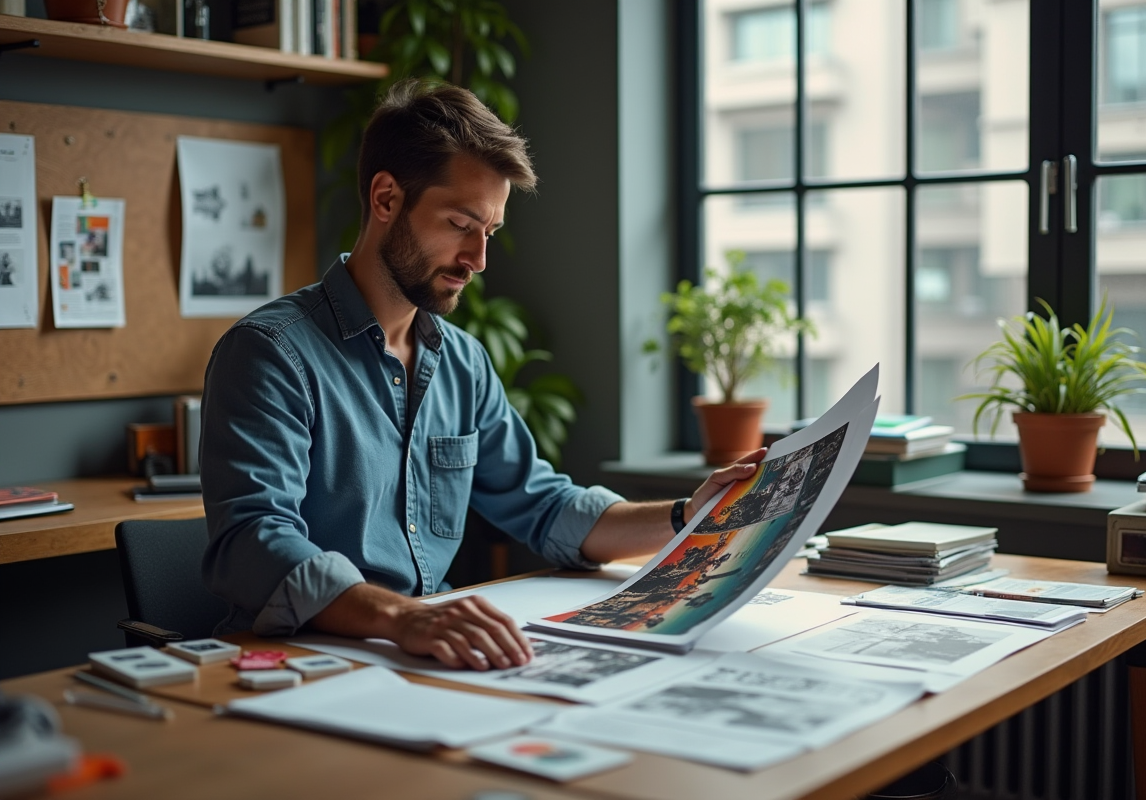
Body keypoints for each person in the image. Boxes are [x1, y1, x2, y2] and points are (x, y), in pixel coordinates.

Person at [200, 79, 764, 673]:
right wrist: (401, 617)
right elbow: (252, 541)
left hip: (422, 660)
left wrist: (688, 515)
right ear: (386, 198)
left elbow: (544, 506)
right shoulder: (269, 353)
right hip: (298, 663)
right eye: (460, 223)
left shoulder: (461, 363)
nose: (478, 258)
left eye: (489, 231)